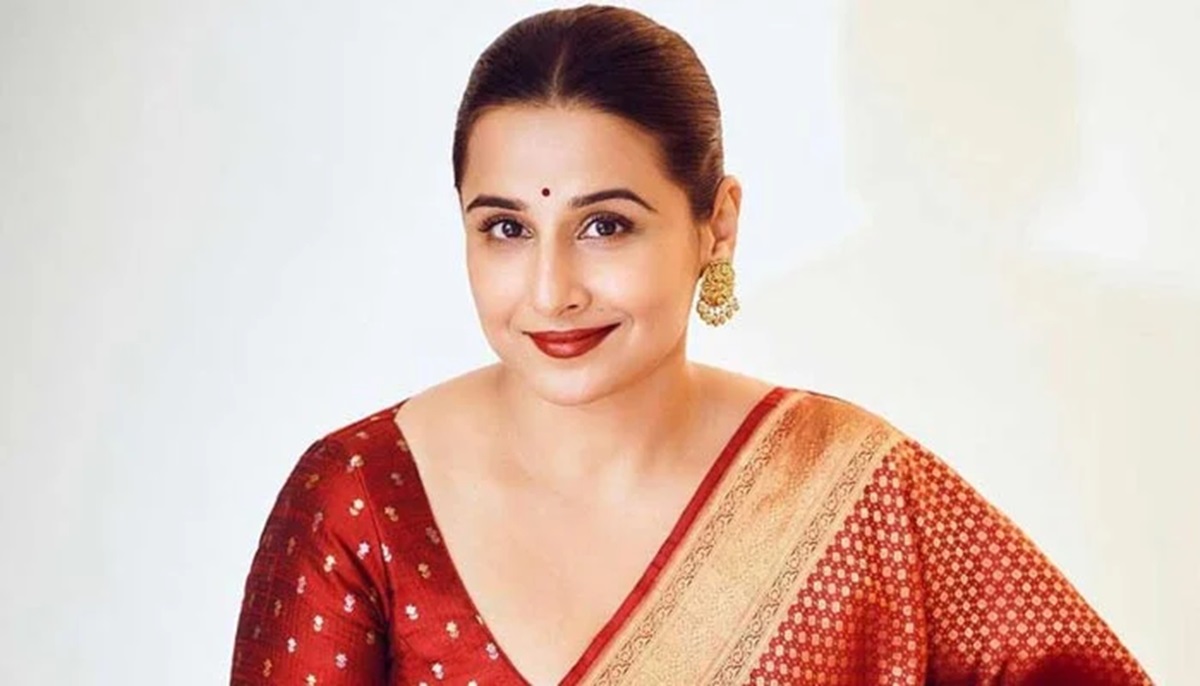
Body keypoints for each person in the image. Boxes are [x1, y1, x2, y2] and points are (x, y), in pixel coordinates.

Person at [229, 5, 1149, 684]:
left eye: (606, 227)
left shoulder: (843, 487)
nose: (551, 291)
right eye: (506, 229)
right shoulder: (362, 499)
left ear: (718, 224)